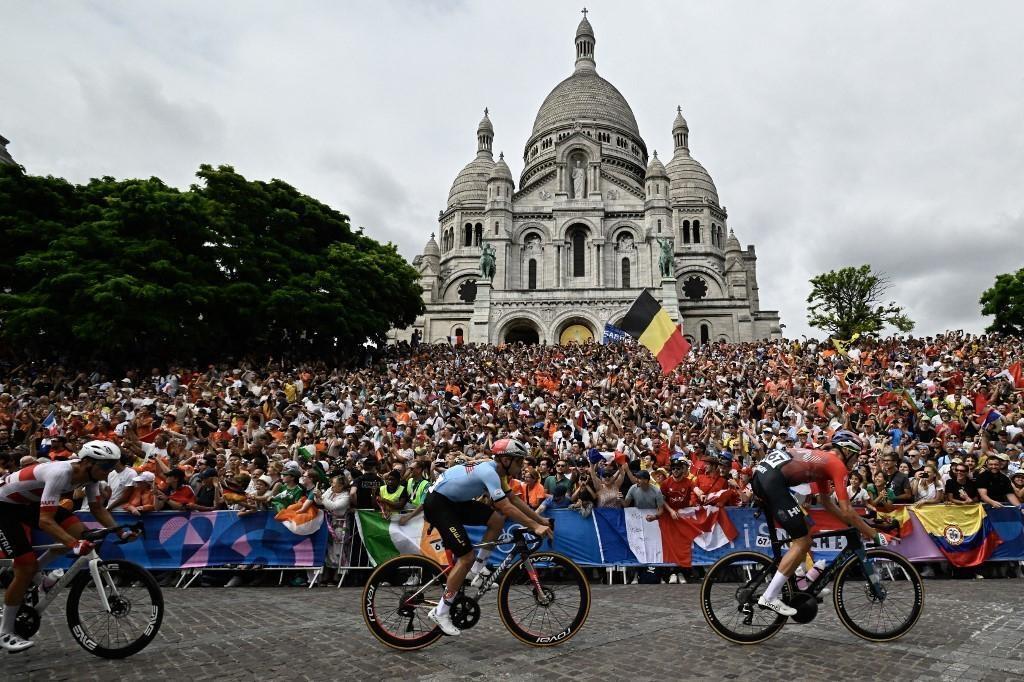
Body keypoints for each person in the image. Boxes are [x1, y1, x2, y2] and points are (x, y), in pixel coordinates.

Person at [0, 440, 134, 653]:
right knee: (25, 566)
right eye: (106, 467)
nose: (109, 472)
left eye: (112, 466)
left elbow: (97, 508)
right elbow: (45, 521)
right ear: (88, 462)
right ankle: (5, 632)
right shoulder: (60, 473)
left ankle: (42, 580)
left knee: (78, 532)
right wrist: (73, 544)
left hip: (26, 504)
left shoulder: (90, 477)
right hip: (4, 507)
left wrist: (119, 531)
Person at [422, 438, 552, 637]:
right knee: (466, 556)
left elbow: (512, 499)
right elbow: (505, 506)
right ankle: (441, 611)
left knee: (497, 521)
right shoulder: (489, 472)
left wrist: (539, 520)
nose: (521, 466)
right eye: (518, 461)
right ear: (506, 460)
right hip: (439, 504)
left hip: (453, 501)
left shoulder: (497, 473)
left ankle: (476, 572)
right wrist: (534, 526)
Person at [750, 431, 879, 616]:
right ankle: (769, 596)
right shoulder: (836, 465)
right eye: (857, 455)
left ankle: (800, 582)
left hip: (767, 477)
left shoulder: (824, 463)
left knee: (806, 530)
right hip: (772, 481)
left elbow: (827, 503)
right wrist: (873, 533)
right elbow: (847, 509)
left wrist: (855, 524)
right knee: (802, 542)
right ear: (847, 451)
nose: (857, 461)